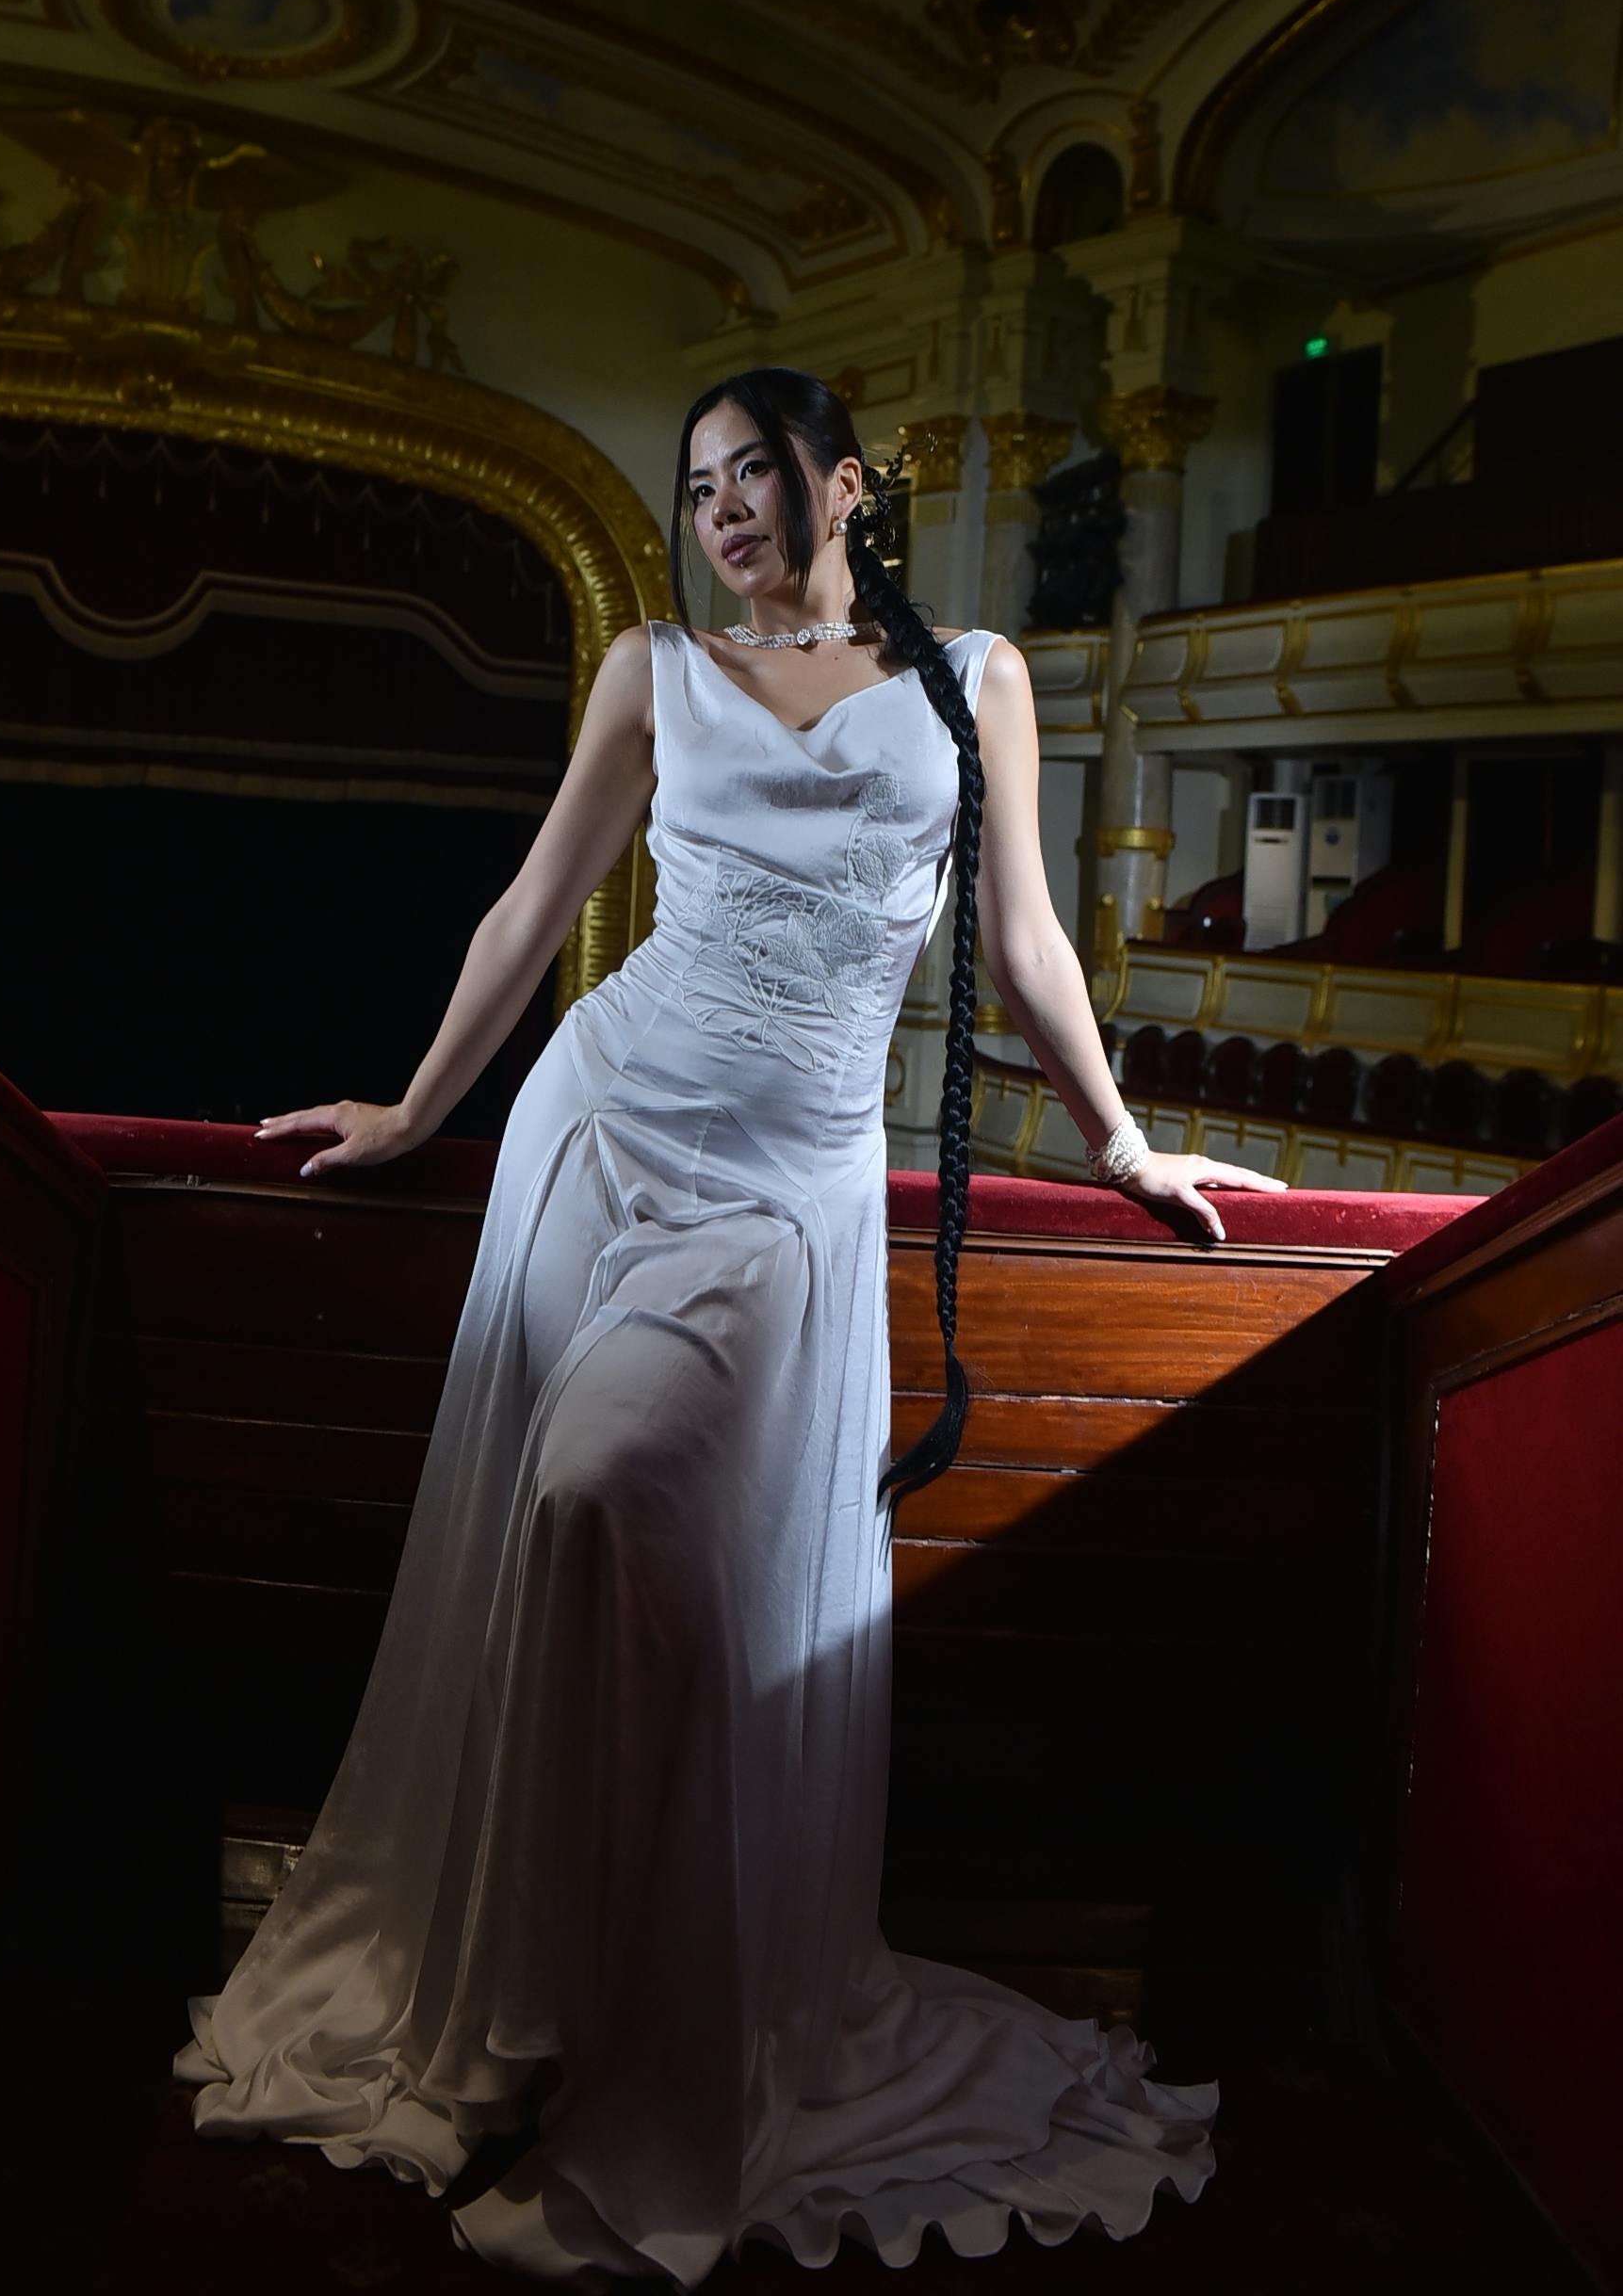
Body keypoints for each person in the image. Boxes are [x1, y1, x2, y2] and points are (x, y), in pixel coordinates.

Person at [173, 367, 1287, 2279]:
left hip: (783, 1196)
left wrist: (1116, 1141)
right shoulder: (651, 670)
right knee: (561, 1534)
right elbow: (535, 904)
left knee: (609, 1493)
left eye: (751, 474)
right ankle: (526, 2008)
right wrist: (420, 1110)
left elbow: (1024, 938)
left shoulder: (977, 680)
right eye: (697, 489)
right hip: (596, 1133)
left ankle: (653, 2026)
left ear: (842, 483)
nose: (722, 515)